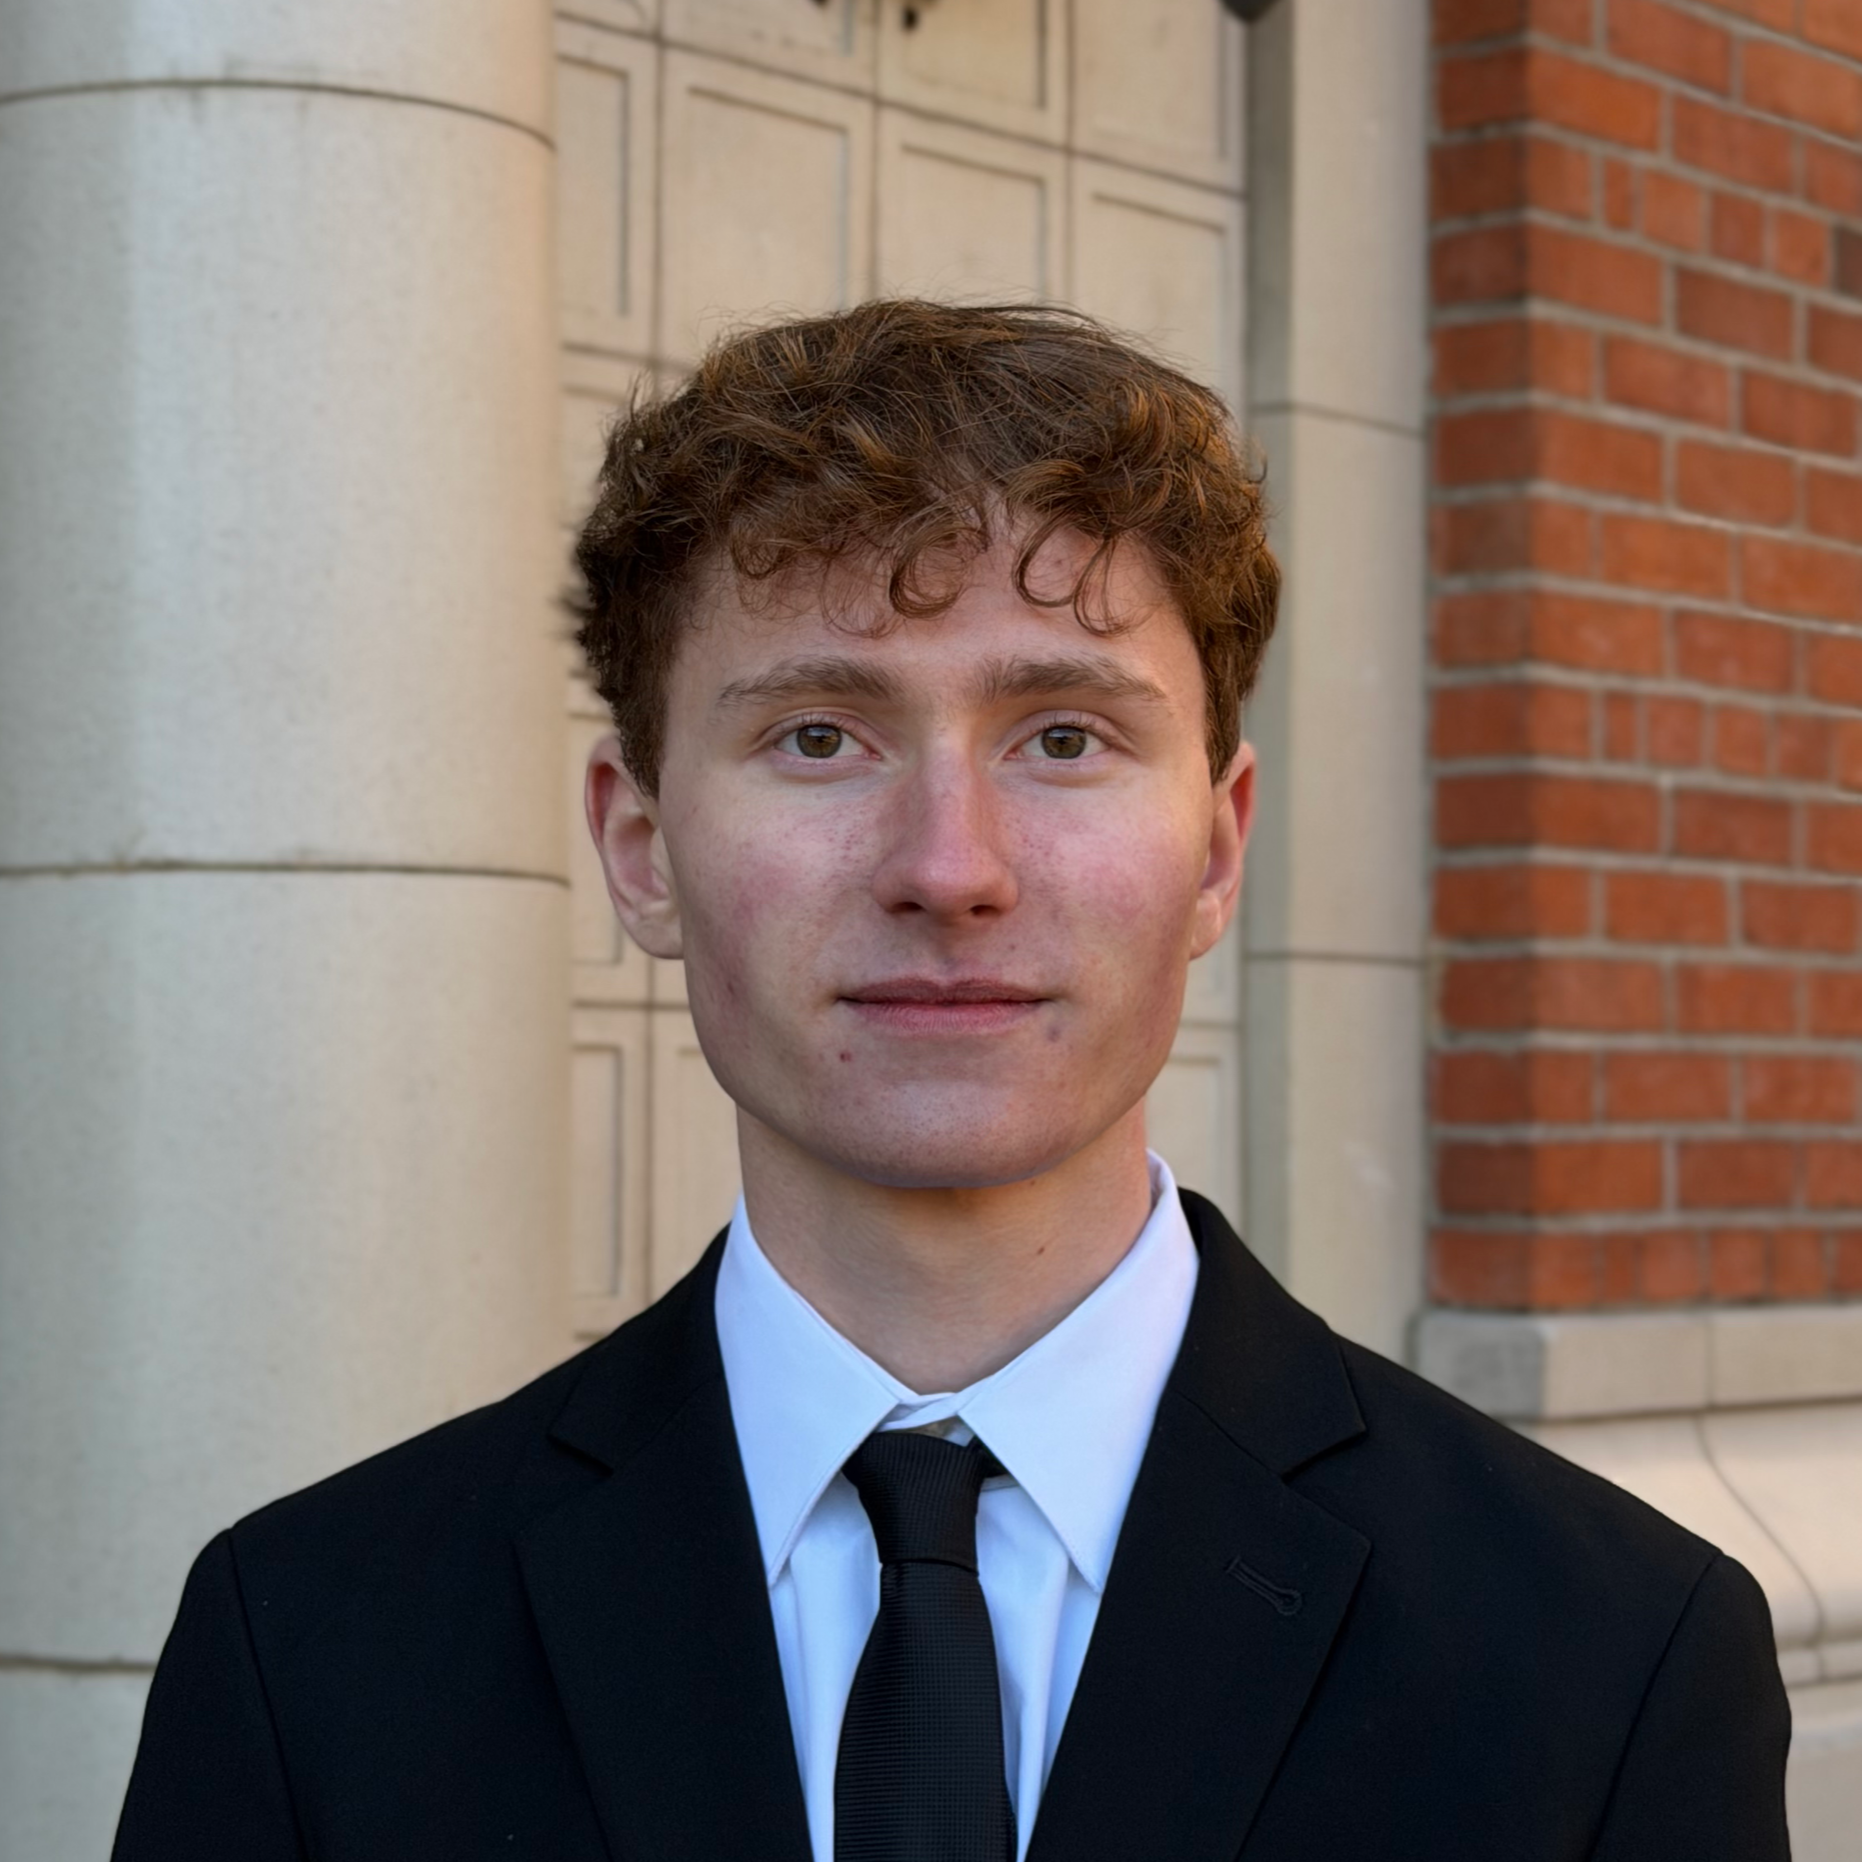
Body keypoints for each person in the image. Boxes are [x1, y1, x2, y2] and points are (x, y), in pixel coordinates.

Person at [114, 301, 1791, 1861]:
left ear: (1215, 849)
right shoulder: (304, 1646)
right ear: (638, 848)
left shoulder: (1611, 1660)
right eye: (817, 735)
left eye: (1063, 734)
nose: (948, 867)